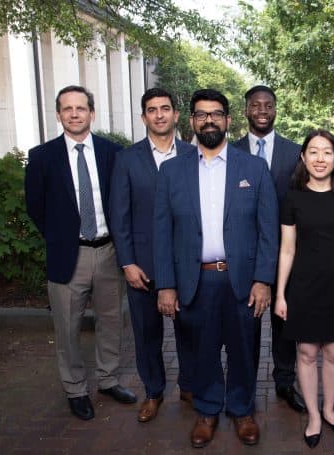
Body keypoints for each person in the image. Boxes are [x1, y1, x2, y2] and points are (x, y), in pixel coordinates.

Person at [153, 89, 278, 448]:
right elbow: (162, 232)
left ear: (227, 120)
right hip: (194, 280)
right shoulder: (172, 171)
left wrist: (263, 280)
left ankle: (241, 410)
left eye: (216, 114)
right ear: (191, 121)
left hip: (241, 281)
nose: (209, 120)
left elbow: (267, 229)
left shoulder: (253, 168)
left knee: (243, 348)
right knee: (200, 350)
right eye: (202, 114)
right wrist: (166, 284)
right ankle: (207, 410)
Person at [25, 85, 136, 421]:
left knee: (111, 321)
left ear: (92, 112)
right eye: (67, 108)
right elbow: (36, 207)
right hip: (68, 254)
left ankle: (108, 380)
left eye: (81, 108)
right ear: (58, 114)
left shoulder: (112, 153)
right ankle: (75, 389)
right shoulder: (42, 157)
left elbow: (123, 201)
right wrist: (60, 238)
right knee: (67, 327)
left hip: (108, 252)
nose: (74, 114)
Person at [274, 129, 334, 448]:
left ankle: (330, 409)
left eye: (327, 152)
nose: (320, 158)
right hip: (303, 286)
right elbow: (287, 249)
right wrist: (280, 294)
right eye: (313, 152)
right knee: (306, 351)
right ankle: (314, 415)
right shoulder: (293, 197)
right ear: (303, 157)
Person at [110, 88, 195, 423]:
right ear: (143, 117)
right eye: (151, 110)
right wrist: (127, 262)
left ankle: (189, 384)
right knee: (147, 335)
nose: (159, 115)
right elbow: (120, 216)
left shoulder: (193, 155)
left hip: (186, 263)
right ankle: (154, 392)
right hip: (142, 267)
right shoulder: (127, 160)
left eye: (165, 108)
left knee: (190, 331)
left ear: (175, 115)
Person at [232, 85, 304, 413]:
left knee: (285, 322)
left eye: (269, 105)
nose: (262, 110)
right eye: (256, 105)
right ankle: (244, 384)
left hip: (288, 254)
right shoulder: (229, 152)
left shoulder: (295, 152)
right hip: (245, 255)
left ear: (276, 110)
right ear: (246, 110)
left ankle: (285, 382)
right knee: (245, 324)